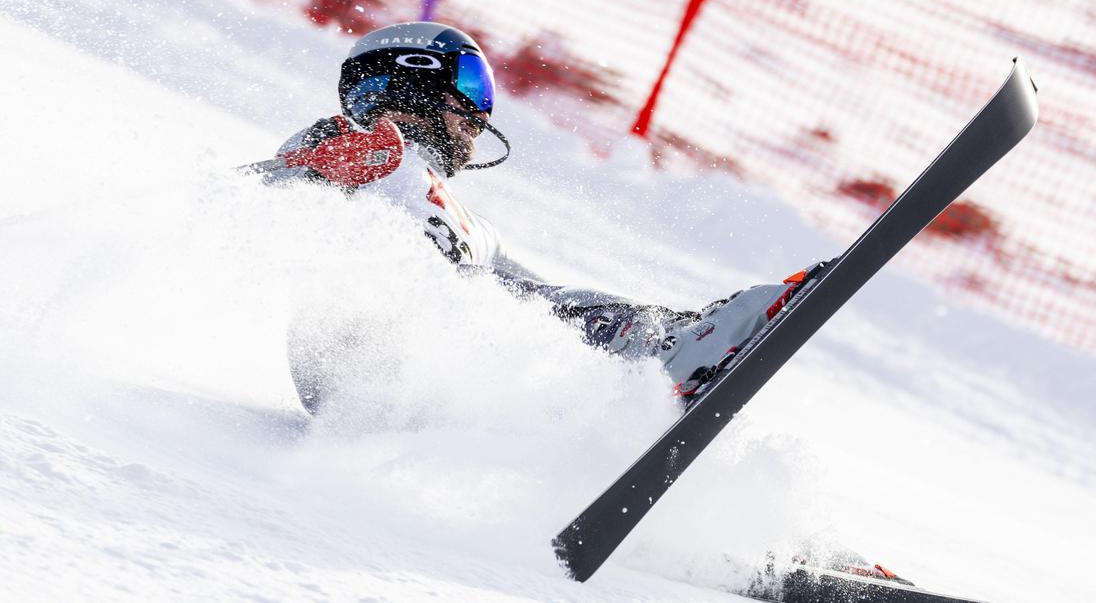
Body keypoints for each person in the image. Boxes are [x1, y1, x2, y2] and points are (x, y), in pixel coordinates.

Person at [261, 21, 827, 415]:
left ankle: (657, 379)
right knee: (548, 310)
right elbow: (271, 189)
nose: (480, 115)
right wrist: (318, 168)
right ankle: (678, 350)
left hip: (431, 382)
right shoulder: (358, 149)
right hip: (363, 362)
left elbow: (539, 297)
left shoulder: (450, 211)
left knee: (545, 302)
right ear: (412, 78)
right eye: (469, 86)